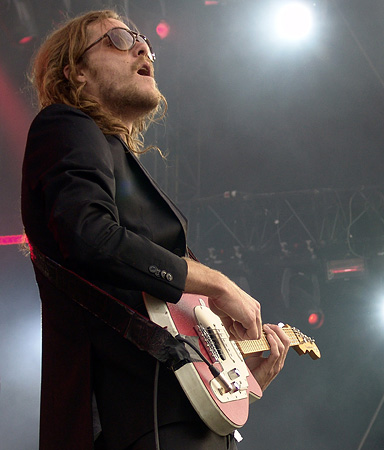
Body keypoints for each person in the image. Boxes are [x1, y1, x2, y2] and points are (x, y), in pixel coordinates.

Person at [21, 9, 291, 450]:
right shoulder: (66, 125)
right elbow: (92, 236)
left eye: (142, 39)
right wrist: (219, 283)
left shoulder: (108, 155)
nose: (143, 47)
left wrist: (239, 381)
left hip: (168, 421)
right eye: (117, 40)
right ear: (76, 74)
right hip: (130, 420)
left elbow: (159, 321)